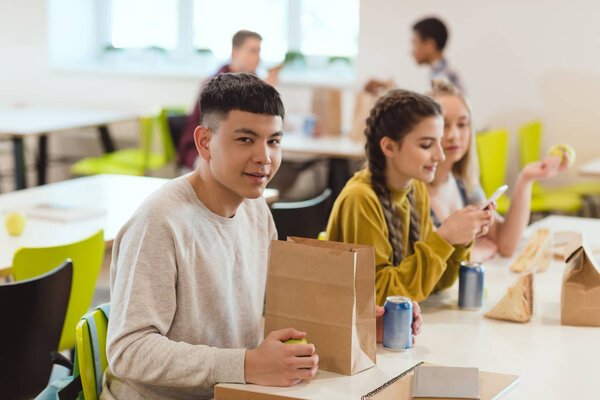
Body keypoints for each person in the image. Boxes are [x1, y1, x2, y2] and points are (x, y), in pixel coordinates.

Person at [102, 73, 318, 400]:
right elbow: (128, 351)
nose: (264, 157)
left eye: (274, 141)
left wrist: (351, 322)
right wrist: (244, 365)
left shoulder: (256, 209)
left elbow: (274, 307)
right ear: (204, 142)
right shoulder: (159, 221)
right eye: (245, 139)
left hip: (230, 392)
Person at [325, 89, 494, 305]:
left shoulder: (416, 189)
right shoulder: (361, 198)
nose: (440, 155)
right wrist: (443, 238)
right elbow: (378, 296)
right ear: (389, 147)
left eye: (439, 142)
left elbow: (433, 284)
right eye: (426, 145)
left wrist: (459, 239)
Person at [426, 79, 568, 261]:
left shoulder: (464, 183)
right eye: (444, 126)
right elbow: (428, 260)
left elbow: (506, 244)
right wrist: (473, 254)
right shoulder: (413, 191)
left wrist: (526, 179)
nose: (454, 135)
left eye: (462, 125)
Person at [178, 30, 281, 170]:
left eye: (259, 52)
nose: (258, 58)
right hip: (201, 153)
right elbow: (238, 122)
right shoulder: (216, 84)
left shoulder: (254, 82)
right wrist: (264, 94)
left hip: (234, 150)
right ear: (235, 52)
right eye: (253, 51)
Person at [411, 17, 463, 91]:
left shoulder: (442, 78)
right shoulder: (443, 75)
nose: (412, 52)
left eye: (414, 44)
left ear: (429, 45)